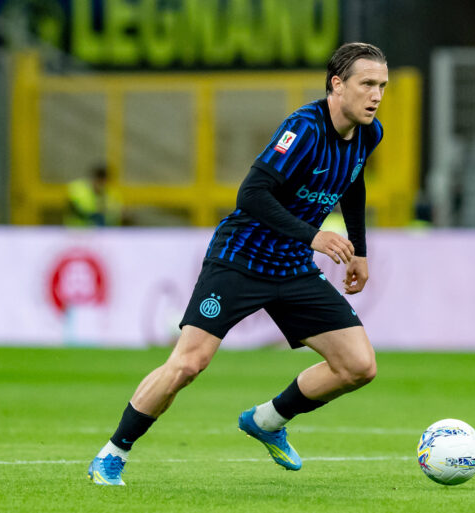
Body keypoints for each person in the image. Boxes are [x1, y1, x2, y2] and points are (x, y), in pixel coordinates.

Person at [87, 42, 388, 486]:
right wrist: (314, 235)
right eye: (367, 84)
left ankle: (266, 421)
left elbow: (353, 184)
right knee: (188, 364)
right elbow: (251, 194)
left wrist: (359, 249)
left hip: (291, 267)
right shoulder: (303, 129)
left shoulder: (369, 133)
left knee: (359, 366)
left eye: (382, 85)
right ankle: (112, 453)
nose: (377, 95)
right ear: (337, 85)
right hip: (240, 259)